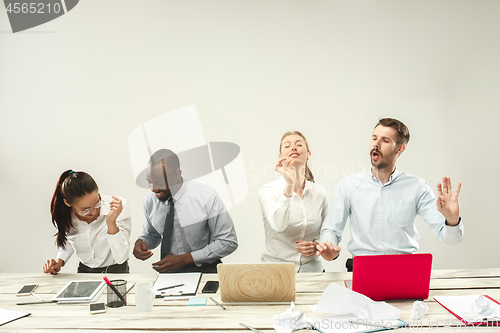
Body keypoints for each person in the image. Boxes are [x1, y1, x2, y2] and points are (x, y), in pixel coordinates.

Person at [316, 118, 464, 271]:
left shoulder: (417, 187)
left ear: (400, 148)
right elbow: (331, 230)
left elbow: (451, 238)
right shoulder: (349, 185)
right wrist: (328, 247)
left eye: (385, 140)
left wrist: (452, 220)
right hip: (363, 270)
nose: (376, 144)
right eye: (374, 138)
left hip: (405, 270)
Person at [133, 149, 238, 273]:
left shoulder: (206, 197)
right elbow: (152, 234)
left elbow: (228, 241)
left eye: (160, 182)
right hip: (169, 273)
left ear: (177, 174)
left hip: (205, 271)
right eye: (150, 182)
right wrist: (142, 242)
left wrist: (185, 259)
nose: (154, 189)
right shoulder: (150, 202)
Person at [259, 131, 329, 272]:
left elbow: (327, 232)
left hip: (312, 272)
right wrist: (289, 187)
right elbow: (278, 225)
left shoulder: (319, 193)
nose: (293, 148)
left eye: (299, 144)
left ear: (308, 154)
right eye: (287, 146)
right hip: (276, 272)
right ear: (280, 157)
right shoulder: (268, 191)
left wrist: (317, 245)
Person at [43, 170, 131, 274]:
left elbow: (121, 257)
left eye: (97, 203)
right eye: (85, 209)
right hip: (84, 272)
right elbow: (70, 241)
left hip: (115, 271)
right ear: (67, 203)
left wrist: (111, 223)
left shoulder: (117, 207)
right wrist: (59, 262)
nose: (93, 212)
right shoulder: (65, 216)